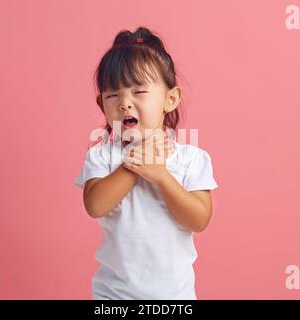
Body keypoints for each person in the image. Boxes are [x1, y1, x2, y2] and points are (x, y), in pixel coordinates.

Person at [74, 26, 219, 299]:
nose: (125, 103)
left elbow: (199, 219)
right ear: (101, 104)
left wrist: (162, 176)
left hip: (174, 297)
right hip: (114, 295)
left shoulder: (191, 159)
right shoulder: (102, 156)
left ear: (170, 99)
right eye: (113, 95)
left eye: (139, 92)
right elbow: (95, 205)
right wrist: (135, 164)